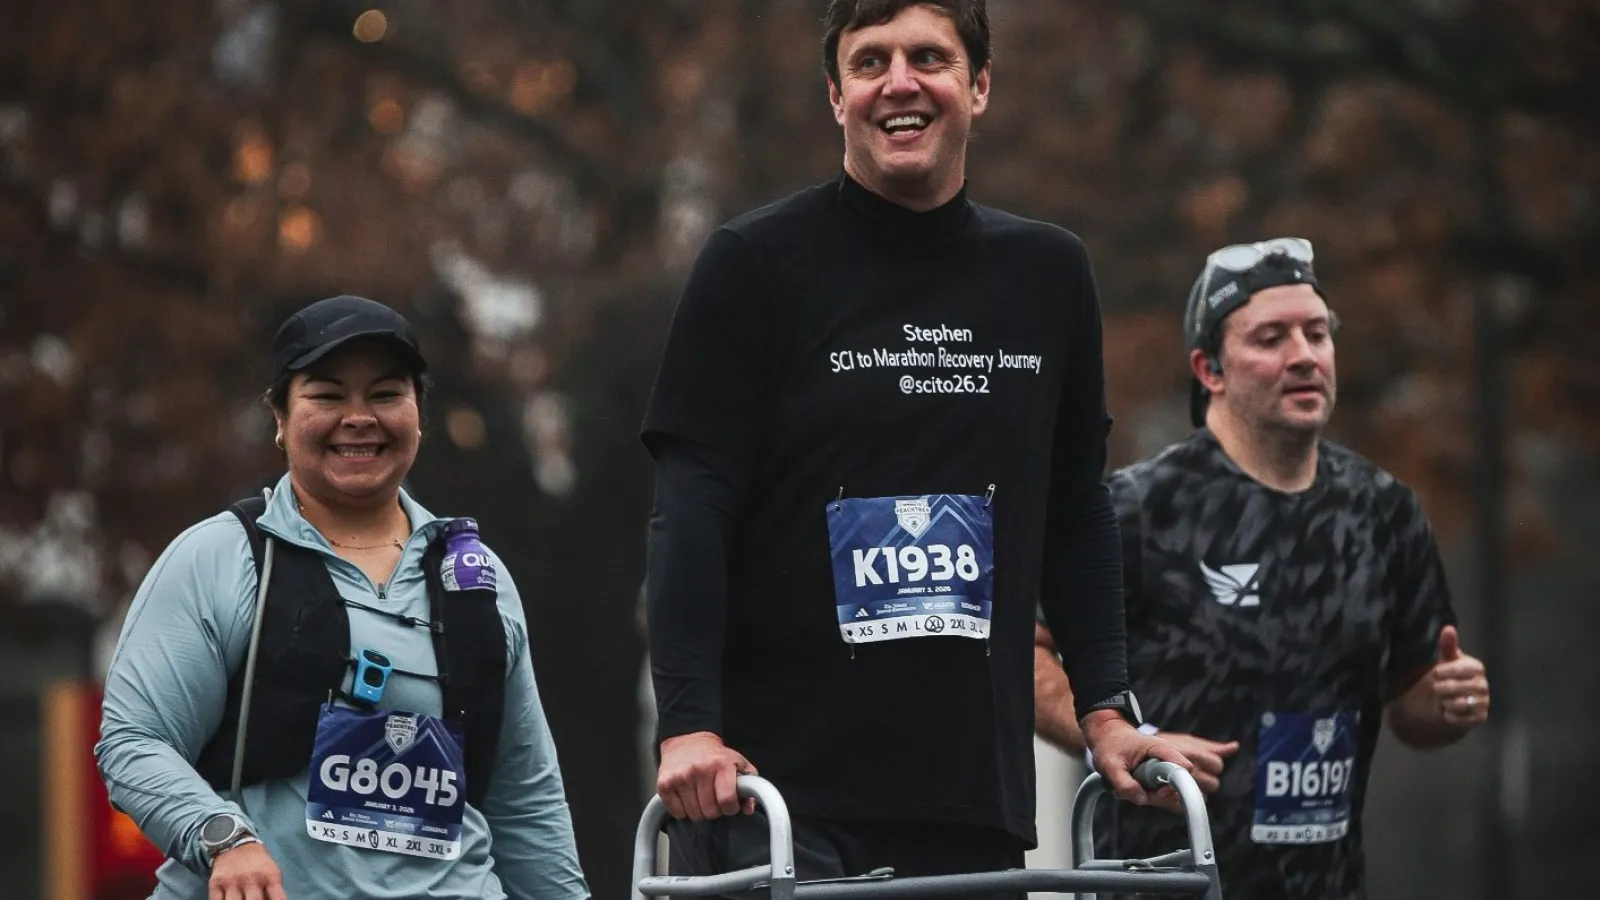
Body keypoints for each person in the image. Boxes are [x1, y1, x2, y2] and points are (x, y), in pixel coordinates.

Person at [639, 1, 1187, 895]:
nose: (900, 83)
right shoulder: (752, 263)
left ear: (980, 85)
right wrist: (688, 726)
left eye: (929, 57)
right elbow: (691, 510)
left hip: (969, 797)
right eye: (870, 62)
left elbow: (1075, 512)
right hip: (773, 796)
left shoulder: (1048, 275)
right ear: (835, 95)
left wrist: (1106, 712)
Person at [1033, 238, 1493, 899]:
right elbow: (1025, 656)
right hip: (1166, 883)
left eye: (1317, 334)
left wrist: (1448, 702)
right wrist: (1125, 736)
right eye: (1271, 338)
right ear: (1209, 369)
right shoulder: (1139, 509)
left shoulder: (1383, 510)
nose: (1304, 355)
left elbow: (1415, 709)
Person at [95, 295, 589, 900]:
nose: (359, 417)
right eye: (328, 396)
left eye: (386, 394)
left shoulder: (474, 578)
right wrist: (223, 836)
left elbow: (527, 803)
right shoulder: (220, 558)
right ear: (279, 417)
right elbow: (133, 741)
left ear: (418, 414)